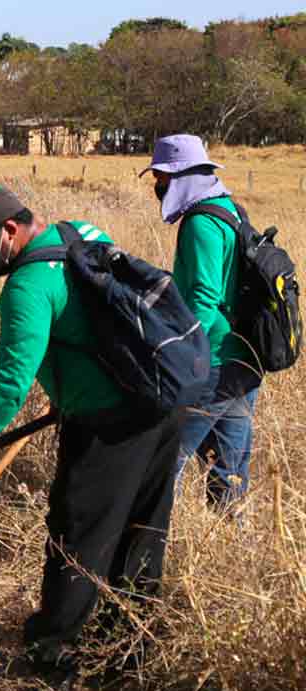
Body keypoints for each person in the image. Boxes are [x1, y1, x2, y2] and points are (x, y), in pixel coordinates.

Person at [0, 183, 182, 677]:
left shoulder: (24, 288)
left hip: (109, 425)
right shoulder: (80, 232)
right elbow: (95, 314)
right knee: (141, 533)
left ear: (9, 231)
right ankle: (125, 657)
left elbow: (9, 383)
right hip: (161, 403)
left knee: (77, 536)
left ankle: (52, 658)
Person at [142, 134, 260, 510]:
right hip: (245, 359)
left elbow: (205, 300)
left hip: (215, 363)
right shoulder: (230, 209)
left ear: (179, 176)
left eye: (160, 178)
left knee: (163, 463)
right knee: (229, 473)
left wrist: (181, 354)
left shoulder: (201, 223)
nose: (157, 186)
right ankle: (234, 557)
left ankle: (147, 553)